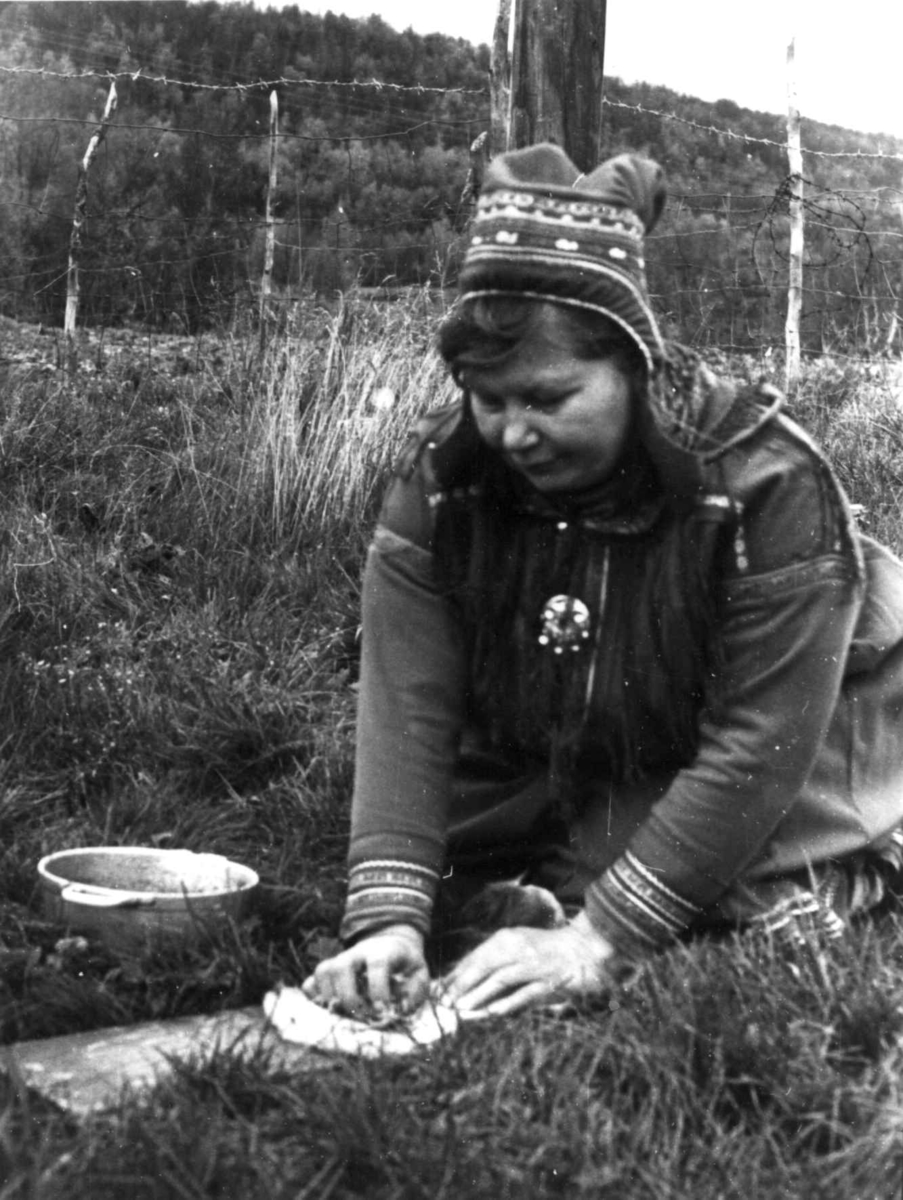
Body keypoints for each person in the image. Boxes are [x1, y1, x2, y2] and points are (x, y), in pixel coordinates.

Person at [302, 144, 903, 1019]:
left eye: (546, 398)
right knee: (448, 871)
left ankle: (857, 865)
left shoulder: (766, 484)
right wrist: (387, 921)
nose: (512, 434)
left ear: (632, 363)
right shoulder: (441, 477)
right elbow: (407, 708)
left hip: (810, 724)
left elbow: (757, 741)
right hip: (595, 725)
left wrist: (601, 937)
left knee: (652, 895)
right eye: (488, 396)